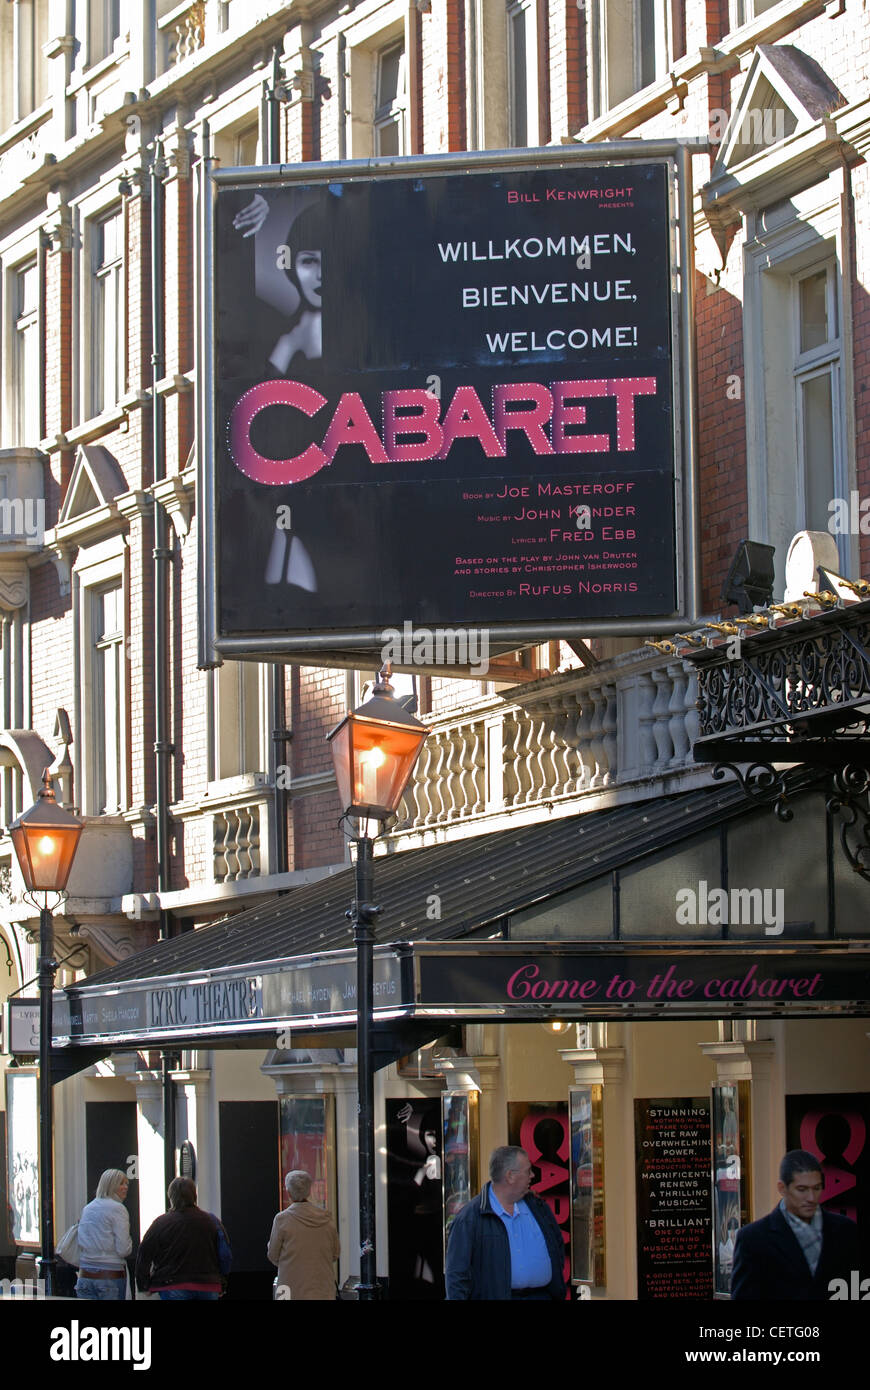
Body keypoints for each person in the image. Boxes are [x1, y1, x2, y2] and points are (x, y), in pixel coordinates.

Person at [731, 1149, 859, 1300]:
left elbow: (857, 1288)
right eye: (802, 1189)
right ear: (782, 1188)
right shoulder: (752, 1239)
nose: (811, 1198)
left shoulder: (845, 1230)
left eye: (816, 1188)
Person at [445, 1145, 566, 1301]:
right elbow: (457, 1276)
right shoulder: (470, 1218)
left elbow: (557, 1247)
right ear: (510, 1176)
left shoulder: (539, 1207)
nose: (533, 1175)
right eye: (528, 1171)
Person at [136, 1177, 227, 1301]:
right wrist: (221, 1280)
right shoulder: (212, 1221)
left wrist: (144, 1284)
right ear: (194, 1195)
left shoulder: (161, 1223)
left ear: (171, 1197)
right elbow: (225, 1254)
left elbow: (144, 1253)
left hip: (172, 1283)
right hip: (208, 1284)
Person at [267, 1169, 339, 1300]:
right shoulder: (326, 1219)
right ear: (309, 1191)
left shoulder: (282, 1219)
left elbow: (273, 1254)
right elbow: (335, 1253)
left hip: (289, 1290)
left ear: (288, 1192)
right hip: (322, 1288)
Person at [75, 1168, 132, 1301]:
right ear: (111, 1185)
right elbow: (123, 1249)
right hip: (110, 1274)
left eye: (126, 1184)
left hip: (84, 1275)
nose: (125, 1187)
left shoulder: (87, 1208)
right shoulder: (118, 1209)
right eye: (121, 1183)